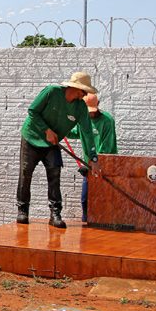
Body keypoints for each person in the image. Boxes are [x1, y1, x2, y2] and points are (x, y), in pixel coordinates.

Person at [16, 71, 99, 229]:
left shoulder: (80, 107)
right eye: (84, 92)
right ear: (75, 88)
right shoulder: (51, 92)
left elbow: (87, 132)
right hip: (31, 137)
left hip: (51, 144)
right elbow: (32, 111)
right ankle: (22, 210)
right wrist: (46, 130)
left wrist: (93, 158)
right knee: (25, 173)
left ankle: (55, 214)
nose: (84, 95)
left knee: (55, 174)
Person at [69, 93, 118, 222]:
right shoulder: (83, 120)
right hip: (90, 167)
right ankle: (86, 225)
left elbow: (106, 147)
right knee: (85, 199)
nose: (90, 114)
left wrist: (92, 164)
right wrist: (59, 129)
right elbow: (75, 133)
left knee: (103, 200)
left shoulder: (107, 120)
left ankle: (104, 229)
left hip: (105, 166)